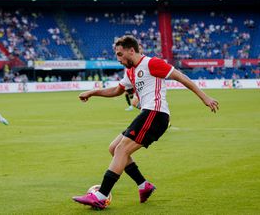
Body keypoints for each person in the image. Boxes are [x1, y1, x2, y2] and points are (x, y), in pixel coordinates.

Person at [73, 35, 219, 209]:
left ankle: (101, 196)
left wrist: (205, 97)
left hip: (156, 114)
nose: (118, 59)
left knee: (121, 149)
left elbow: (181, 77)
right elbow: (117, 90)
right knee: (114, 148)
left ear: (131, 50)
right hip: (148, 113)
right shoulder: (130, 70)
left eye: (120, 54)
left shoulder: (152, 63)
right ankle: (144, 185)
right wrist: (92, 93)